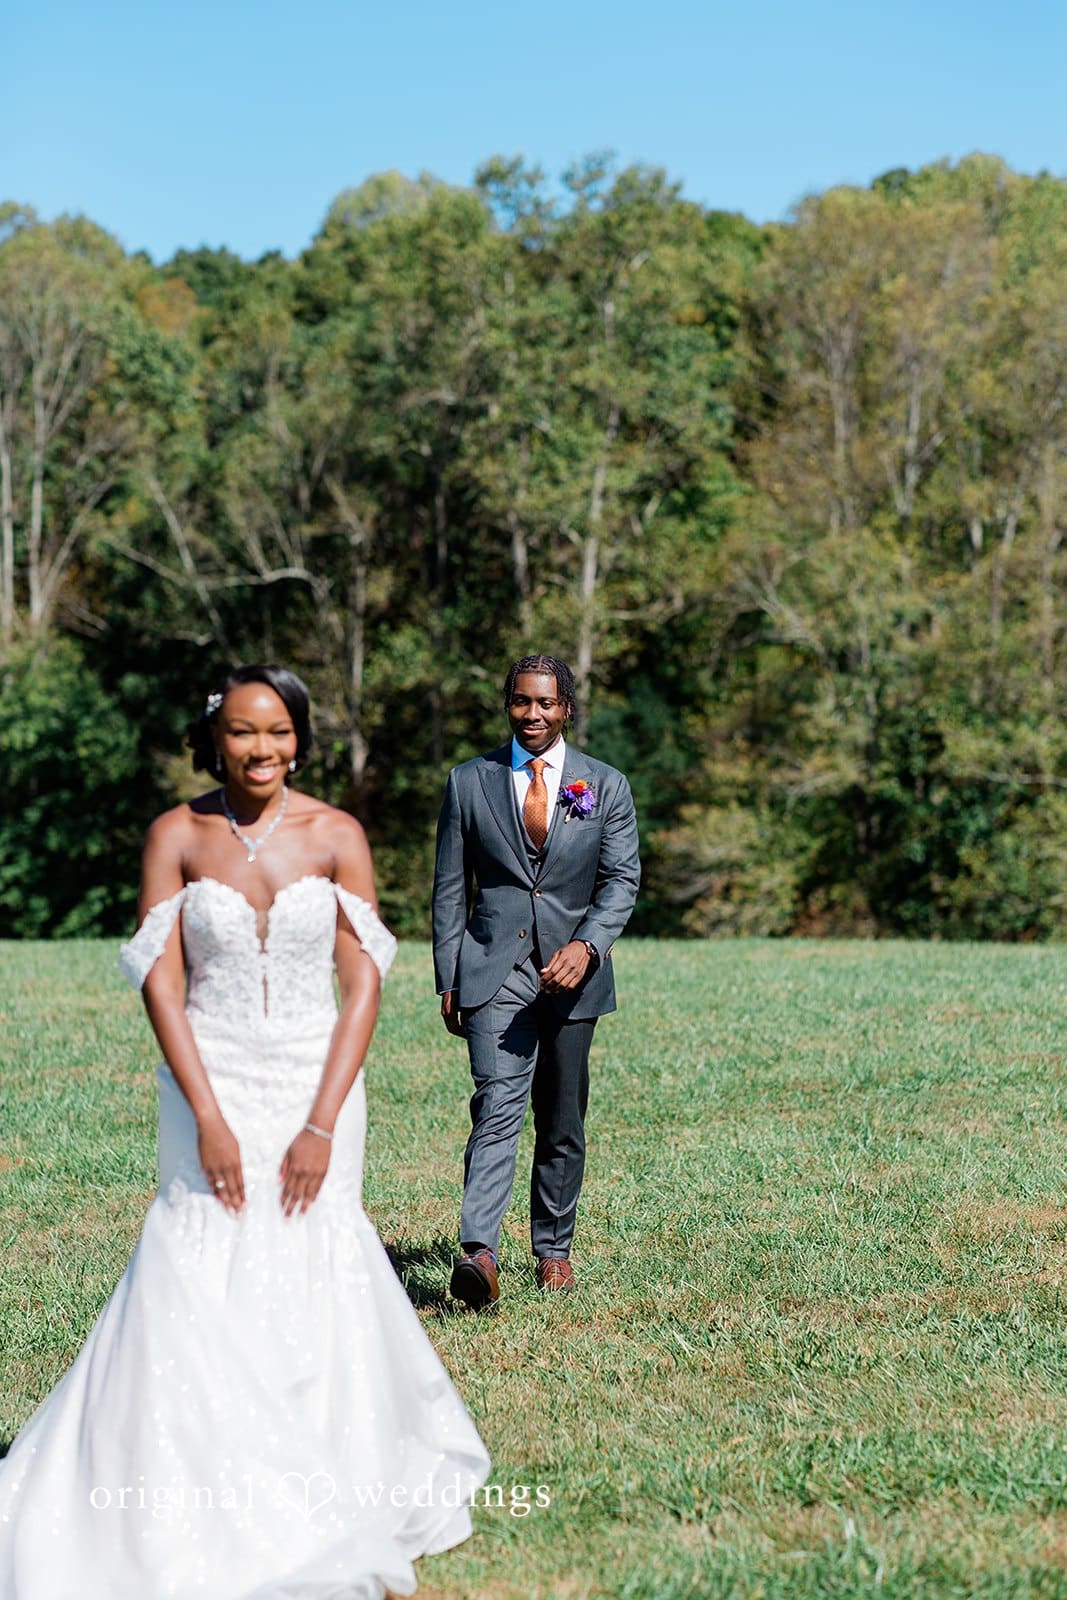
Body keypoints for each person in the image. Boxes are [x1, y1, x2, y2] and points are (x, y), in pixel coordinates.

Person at [0, 664, 489, 1600]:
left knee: (315, 1249)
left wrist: (317, 1121)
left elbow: (365, 987)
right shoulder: (175, 837)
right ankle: (186, 1479)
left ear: (297, 740)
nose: (259, 749)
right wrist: (211, 1118)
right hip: (207, 1081)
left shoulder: (336, 835)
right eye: (240, 732)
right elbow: (162, 983)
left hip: (318, 1083)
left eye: (275, 732)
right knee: (199, 1255)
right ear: (213, 739)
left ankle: (328, 1467)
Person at [432, 653, 641, 1310]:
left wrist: (588, 946)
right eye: (522, 701)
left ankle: (553, 1249)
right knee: (496, 1105)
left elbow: (621, 880)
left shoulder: (602, 785)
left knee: (559, 1117)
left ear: (566, 709)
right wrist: (448, 973)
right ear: (508, 705)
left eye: (545, 703)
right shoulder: (469, 781)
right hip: (492, 971)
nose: (532, 713)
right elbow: (447, 889)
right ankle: (478, 1253)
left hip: (574, 978)